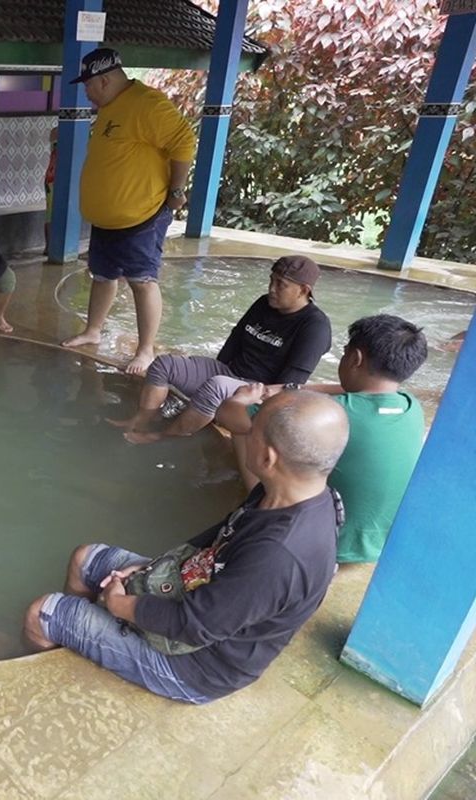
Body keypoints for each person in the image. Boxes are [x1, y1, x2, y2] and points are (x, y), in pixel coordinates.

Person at [23, 391, 349, 703]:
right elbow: (223, 532)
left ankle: (66, 641)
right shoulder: (286, 492)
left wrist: (118, 605)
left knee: (43, 613)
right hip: (194, 587)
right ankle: (80, 638)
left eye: (253, 429)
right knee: (85, 558)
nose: (245, 432)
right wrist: (148, 567)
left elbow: (192, 626)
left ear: (267, 457)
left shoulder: (279, 556)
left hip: (197, 665)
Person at [217, 314, 427, 564]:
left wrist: (243, 398)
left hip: (329, 542)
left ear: (355, 358)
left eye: (345, 351)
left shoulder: (333, 414)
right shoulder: (411, 407)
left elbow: (228, 415)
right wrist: (292, 388)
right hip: (379, 542)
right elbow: (348, 390)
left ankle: (257, 501)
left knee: (255, 430)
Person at [59, 48, 197, 376]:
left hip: (141, 216)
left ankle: (145, 349)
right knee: (103, 276)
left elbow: (185, 142)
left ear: (105, 80)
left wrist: (176, 192)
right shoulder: (111, 106)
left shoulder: (147, 104)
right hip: (109, 219)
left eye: (88, 85)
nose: (86, 92)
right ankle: (93, 330)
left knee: (141, 281)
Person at [113, 255, 332, 445]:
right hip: (230, 372)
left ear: (304, 290)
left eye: (281, 284)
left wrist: (248, 399)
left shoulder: (315, 327)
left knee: (217, 386)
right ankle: (141, 421)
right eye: (271, 280)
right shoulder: (264, 303)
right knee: (163, 364)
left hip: (259, 391)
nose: (272, 289)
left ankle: (164, 437)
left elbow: (291, 385)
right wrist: (211, 377)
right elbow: (235, 339)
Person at [44, 124, 59, 248]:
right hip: (53, 178)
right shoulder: (56, 132)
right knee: (50, 214)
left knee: (50, 213)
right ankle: (49, 245)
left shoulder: (55, 131)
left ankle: (50, 246)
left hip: (52, 177)